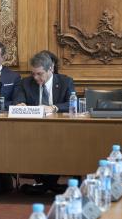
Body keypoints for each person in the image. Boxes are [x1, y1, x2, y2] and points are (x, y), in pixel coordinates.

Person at [12, 51, 75, 195]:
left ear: (50, 69)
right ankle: (48, 184)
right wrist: (20, 104)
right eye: (33, 73)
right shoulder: (26, 82)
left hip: (60, 130)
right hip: (33, 130)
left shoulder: (66, 81)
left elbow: (73, 103)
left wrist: (54, 107)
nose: (35, 77)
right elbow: (18, 100)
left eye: (39, 74)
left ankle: (47, 184)